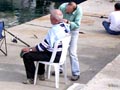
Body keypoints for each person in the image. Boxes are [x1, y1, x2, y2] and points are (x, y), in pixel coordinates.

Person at [20, 9, 70, 84]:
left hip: (54, 56)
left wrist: (29, 49)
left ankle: (31, 78)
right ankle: (41, 74)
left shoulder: (53, 31)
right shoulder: (64, 26)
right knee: (41, 52)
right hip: (61, 54)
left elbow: (41, 47)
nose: (49, 17)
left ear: (53, 19)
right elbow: (67, 22)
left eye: (50, 16)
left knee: (27, 55)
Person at [52, 1, 83, 81]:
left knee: (72, 52)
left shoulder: (79, 11)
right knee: (59, 49)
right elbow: (56, 17)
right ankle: (59, 69)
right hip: (62, 29)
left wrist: (68, 22)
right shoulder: (62, 7)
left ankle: (76, 73)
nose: (66, 11)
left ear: (73, 10)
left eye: (68, 11)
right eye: (66, 9)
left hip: (73, 30)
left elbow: (77, 25)